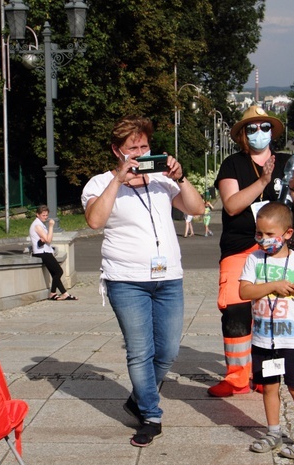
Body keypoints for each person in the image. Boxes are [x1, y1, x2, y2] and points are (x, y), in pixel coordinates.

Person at [81, 115, 204, 446]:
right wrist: (117, 181)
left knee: (168, 349)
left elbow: (198, 208)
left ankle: (138, 398)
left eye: (145, 146)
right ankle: (150, 414)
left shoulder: (162, 180)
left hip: (168, 278)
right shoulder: (98, 183)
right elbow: (94, 220)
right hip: (126, 279)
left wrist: (181, 176)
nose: (139, 152)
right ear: (116, 151)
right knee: (140, 351)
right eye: (132, 147)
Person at [209, 105, 294, 398]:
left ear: (272, 132)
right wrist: (263, 181)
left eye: (264, 127)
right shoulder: (232, 165)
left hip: (278, 250)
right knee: (236, 309)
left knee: (274, 313)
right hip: (240, 248)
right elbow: (232, 205)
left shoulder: (288, 164)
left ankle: (267, 375)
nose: (259, 132)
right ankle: (237, 378)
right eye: (252, 128)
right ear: (242, 134)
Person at [241, 202, 294, 459]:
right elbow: (244, 291)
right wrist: (272, 285)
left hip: (293, 340)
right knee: (268, 387)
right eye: (259, 234)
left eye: (269, 234)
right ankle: (273, 432)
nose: (263, 240)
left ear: (287, 234)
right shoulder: (253, 259)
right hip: (264, 339)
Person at [29, 204, 76, 300]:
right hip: (41, 252)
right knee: (59, 271)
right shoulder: (37, 225)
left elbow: (46, 239)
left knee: (55, 273)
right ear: (37, 214)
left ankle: (64, 293)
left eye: (46, 215)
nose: (45, 217)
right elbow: (48, 240)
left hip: (45, 251)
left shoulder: (40, 224)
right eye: (43, 215)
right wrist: (51, 226)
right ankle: (53, 293)